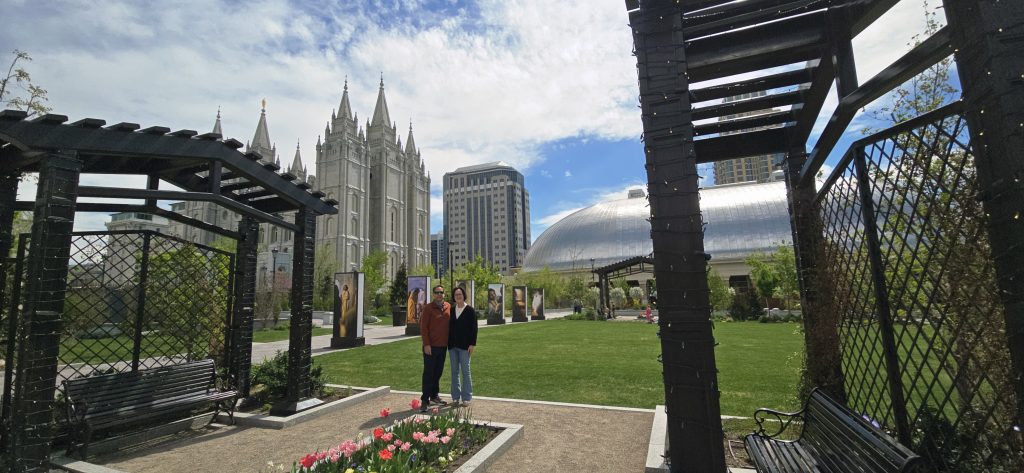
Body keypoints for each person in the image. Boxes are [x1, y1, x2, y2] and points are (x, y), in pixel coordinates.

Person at [420, 285, 451, 411]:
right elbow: (423, 327)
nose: (439, 294)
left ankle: (434, 395)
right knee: (428, 373)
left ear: (444, 294)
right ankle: (424, 399)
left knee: (438, 372)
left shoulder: (448, 307)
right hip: (430, 347)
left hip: (443, 346)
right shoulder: (428, 308)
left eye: (441, 292)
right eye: (437, 292)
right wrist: (426, 344)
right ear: (433, 294)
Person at [448, 286, 478, 407]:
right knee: (454, 372)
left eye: (460, 294)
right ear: (454, 297)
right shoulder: (451, 310)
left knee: (465, 371)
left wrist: (472, 344)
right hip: (452, 346)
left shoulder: (470, 310)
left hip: (465, 347)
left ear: (464, 295)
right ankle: (455, 397)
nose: (458, 296)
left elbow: (474, 329)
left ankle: (466, 397)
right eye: (456, 295)